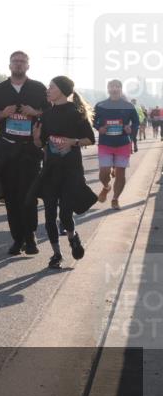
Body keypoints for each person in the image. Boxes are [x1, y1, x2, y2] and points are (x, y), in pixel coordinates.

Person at [0, 51, 47, 257]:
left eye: (22, 62)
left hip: (30, 149)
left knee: (28, 195)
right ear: (9, 65)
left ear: (28, 66)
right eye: (15, 61)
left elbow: (51, 113)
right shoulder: (0, 89)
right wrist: (3, 114)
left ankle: (30, 237)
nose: (18, 64)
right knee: (10, 197)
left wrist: (34, 113)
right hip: (7, 149)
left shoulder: (38, 88)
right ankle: (17, 239)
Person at [31, 76, 96, 268]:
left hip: (71, 170)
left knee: (66, 214)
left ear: (60, 90)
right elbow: (41, 144)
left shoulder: (76, 112)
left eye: (51, 87)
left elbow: (90, 139)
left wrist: (72, 142)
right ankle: (56, 255)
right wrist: (36, 138)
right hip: (50, 170)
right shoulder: (46, 114)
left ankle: (73, 237)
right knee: (49, 214)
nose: (48, 90)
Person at [92, 80, 140, 210]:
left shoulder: (128, 106)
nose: (114, 89)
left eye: (117, 87)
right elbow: (92, 120)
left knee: (120, 174)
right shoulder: (101, 105)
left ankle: (115, 199)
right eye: (111, 87)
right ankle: (106, 187)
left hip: (123, 143)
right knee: (104, 173)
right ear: (108, 89)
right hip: (105, 143)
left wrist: (131, 128)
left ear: (121, 89)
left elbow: (136, 122)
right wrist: (99, 127)